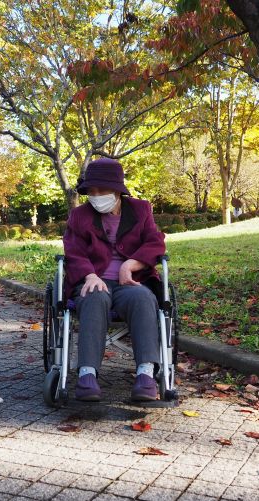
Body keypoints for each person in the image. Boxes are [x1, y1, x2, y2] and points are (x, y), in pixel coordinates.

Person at [62, 158, 166, 402]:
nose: (96, 196)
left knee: (142, 297)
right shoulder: (79, 216)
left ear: (118, 190)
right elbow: (73, 250)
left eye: (103, 190)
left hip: (130, 281)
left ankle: (146, 374)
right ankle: (87, 374)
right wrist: (89, 275)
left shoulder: (141, 209)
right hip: (93, 279)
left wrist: (132, 263)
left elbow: (155, 242)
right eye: (92, 191)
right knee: (94, 296)